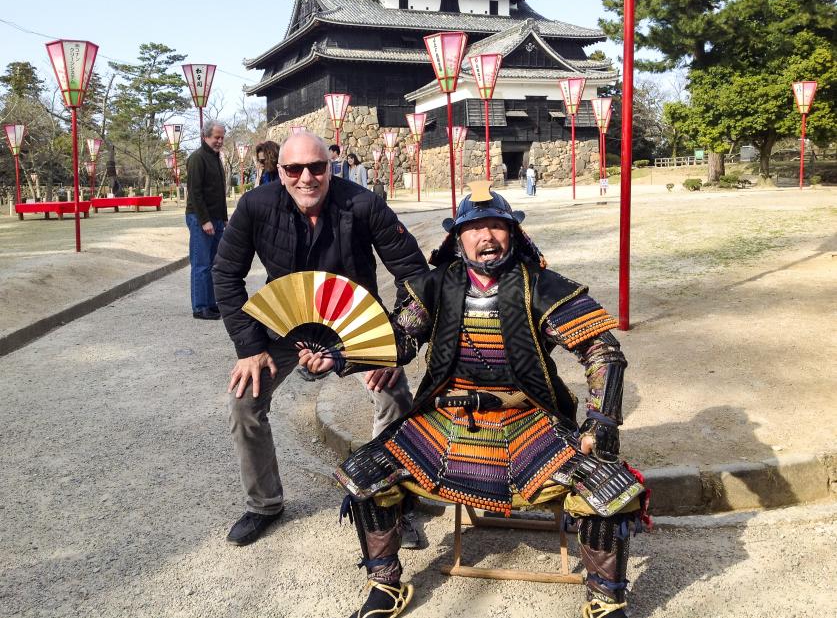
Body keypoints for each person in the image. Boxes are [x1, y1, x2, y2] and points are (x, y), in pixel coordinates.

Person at [300, 182, 649, 618]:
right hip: (443, 420)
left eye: (496, 227)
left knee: (606, 488)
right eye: (475, 228)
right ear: (457, 238)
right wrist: (336, 356)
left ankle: (606, 599)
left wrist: (601, 422)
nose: (486, 238)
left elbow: (603, 352)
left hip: (527, 419)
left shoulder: (540, 286)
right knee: (364, 473)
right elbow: (399, 340)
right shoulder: (433, 287)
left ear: (512, 234)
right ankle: (384, 585)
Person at [212, 132, 430, 547]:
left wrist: (395, 345)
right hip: (287, 326)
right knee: (243, 399)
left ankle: (392, 499)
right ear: (279, 172)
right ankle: (264, 504)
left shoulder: (363, 204)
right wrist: (250, 348)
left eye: (316, 167)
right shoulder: (256, 207)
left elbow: (414, 274)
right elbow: (225, 274)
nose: (306, 178)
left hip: (353, 322)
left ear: (331, 167)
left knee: (394, 394)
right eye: (294, 169)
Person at [186, 119, 228, 320]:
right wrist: (204, 220)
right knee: (201, 263)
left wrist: (225, 218)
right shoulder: (197, 158)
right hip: (200, 217)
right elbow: (195, 192)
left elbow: (219, 192)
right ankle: (200, 306)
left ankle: (211, 304)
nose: (219, 141)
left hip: (217, 218)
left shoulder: (216, 157)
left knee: (214, 264)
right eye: (216, 137)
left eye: (222, 137)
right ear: (205, 137)